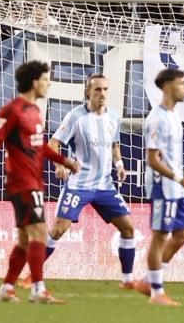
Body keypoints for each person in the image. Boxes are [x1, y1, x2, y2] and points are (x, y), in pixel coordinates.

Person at [0, 59, 80, 305]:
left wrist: (64, 160)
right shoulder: (13, 110)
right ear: (34, 83)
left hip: (34, 181)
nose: (48, 84)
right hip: (21, 182)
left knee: (25, 239)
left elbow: (40, 146)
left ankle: (7, 287)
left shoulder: (34, 111)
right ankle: (38, 289)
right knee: (39, 234)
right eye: (45, 80)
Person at [45, 73, 138, 290]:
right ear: (88, 92)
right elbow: (53, 144)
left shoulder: (113, 117)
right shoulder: (76, 116)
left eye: (105, 89)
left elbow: (114, 145)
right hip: (79, 185)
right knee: (58, 229)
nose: (102, 93)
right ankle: (32, 274)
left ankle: (127, 280)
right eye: (97, 89)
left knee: (128, 228)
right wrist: (59, 165)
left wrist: (119, 164)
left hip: (104, 186)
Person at [138, 66, 184, 307]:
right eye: (181, 84)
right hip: (162, 186)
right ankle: (156, 292)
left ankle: (148, 281)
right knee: (160, 236)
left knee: (181, 236)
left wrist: (182, 182)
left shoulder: (174, 115)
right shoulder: (157, 119)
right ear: (167, 86)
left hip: (176, 187)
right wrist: (180, 179)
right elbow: (152, 160)